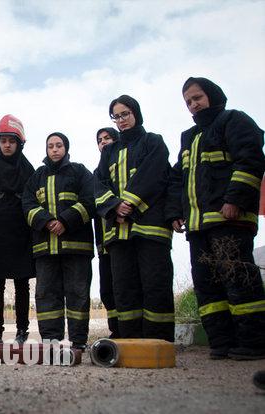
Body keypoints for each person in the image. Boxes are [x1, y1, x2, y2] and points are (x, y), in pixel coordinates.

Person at [166, 77, 265, 360]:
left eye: (197, 98)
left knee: (239, 281)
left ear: (212, 95)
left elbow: (251, 161)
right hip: (198, 227)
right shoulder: (189, 137)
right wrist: (175, 212)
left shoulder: (234, 121)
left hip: (229, 221)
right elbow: (178, 178)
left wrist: (234, 199)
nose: (193, 104)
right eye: (188, 102)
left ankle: (254, 342)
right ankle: (221, 343)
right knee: (207, 287)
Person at [94, 95, 175, 342]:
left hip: (151, 229)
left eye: (125, 114)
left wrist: (129, 201)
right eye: (116, 116)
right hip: (118, 233)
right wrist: (114, 205)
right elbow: (97, 183)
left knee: (155, 284)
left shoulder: (154, 142)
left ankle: (158, 342)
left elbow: (155, 174)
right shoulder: (109, 152)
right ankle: (130, 341)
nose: (121, 120)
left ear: (136, 113)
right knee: (125, 289)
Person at [22, 132, 95, 350]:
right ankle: (50, 342)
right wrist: (46, 222)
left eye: (59, 145)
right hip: (45, 250)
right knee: (46, 296)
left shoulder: (80, 172)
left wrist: (65, 220)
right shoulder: (36, 177)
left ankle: (78, 342)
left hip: (76, 249)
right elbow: (27, 204)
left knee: (78, 295)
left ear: (66, 148)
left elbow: (90, 199)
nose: (54, 149)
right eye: (50, 146)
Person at [0, 115, 35, 345]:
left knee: (22, 283)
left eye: (11, 140)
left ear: (19, 143)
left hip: (22, 231)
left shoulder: (30, 170)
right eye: (3, 141)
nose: (7, 145)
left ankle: (22, 331)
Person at [94, 127, 120, 338]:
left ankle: (132, 330)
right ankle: (115, 330)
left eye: (108, 138)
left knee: (125, 286)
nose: (104, 142)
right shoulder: (96, 176)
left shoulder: (122, 168)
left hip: (124, 238)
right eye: (100, 140)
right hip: (104, 244)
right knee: (108, 289)